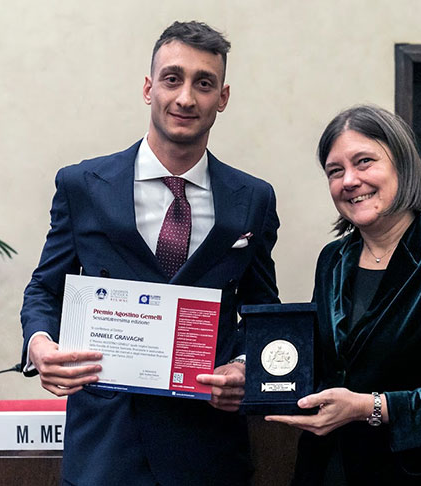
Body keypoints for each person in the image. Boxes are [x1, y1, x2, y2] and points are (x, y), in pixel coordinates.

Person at [20, 21, 279, 486]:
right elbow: (45, 288)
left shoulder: (253, 199)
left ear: (222, 97)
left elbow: (263, 310)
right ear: (148, 88)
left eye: (204, 83)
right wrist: (39, 344)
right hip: (105, 447)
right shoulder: (83, 185)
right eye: (172, 79)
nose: (186, 98)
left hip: (209, 449)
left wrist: (245, 366)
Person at [267, 105, 421, 485]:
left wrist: (371, 407)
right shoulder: (333, 259)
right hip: (330, 469)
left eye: (364, 162)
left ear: (401, 164)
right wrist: (252, 370)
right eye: (335, 171)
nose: (349, 180)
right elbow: (321, 364)